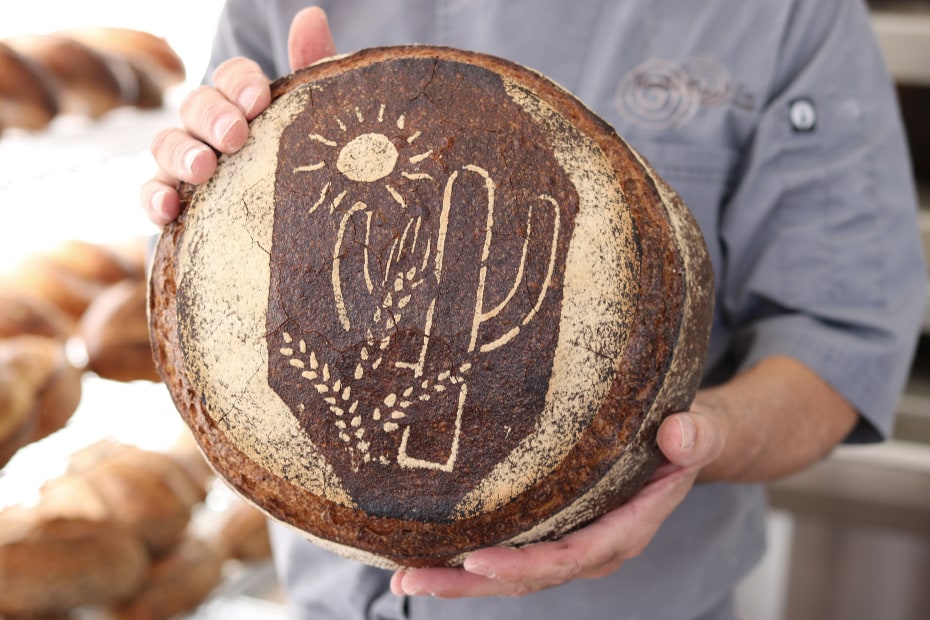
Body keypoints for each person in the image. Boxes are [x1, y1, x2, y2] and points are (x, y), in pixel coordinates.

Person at [141, 1, 928, 618]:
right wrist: (194, 183)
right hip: (326, 602)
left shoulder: (790, 10)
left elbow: (840, 340)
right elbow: (224, 275)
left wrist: (694, 443)